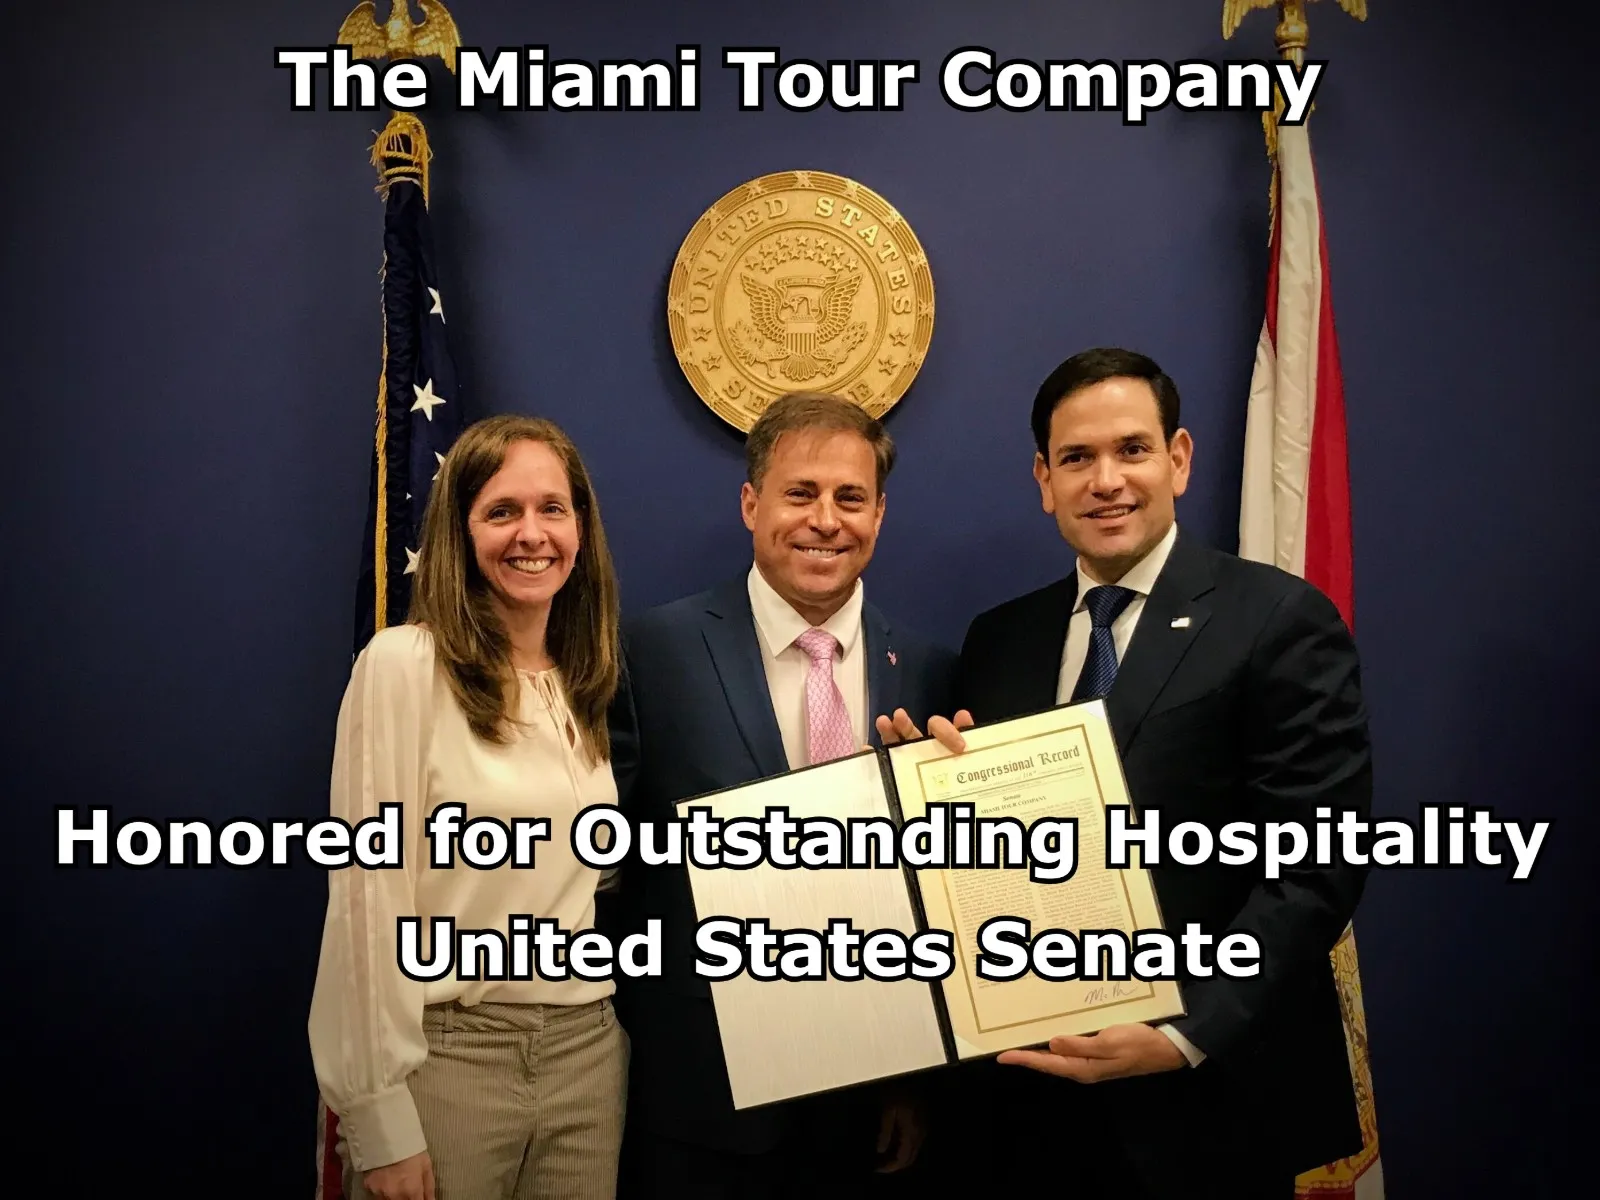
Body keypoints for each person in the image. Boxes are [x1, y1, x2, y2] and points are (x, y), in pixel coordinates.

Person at [883, 348, 1370, 1199]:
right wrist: (920, 789)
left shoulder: (1281, 621)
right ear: (1044, 478)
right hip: (1022, 1107)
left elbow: (1319, 867)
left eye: (1131, 450)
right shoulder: (999, 639)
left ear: (1178, 458)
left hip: (1206, 1103)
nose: (1106, 480)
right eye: (1077, 458)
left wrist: (1187, 1031)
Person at [608, 392, 957, 1199]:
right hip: (701, 1111)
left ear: (879, 513)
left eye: (850, 497)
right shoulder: (649, 651)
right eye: (800, 493)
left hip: (871, 1109)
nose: (825, 520)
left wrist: (912, 1081)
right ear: (750, 503)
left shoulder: (935, 671)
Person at [309, 414, 629, 1200]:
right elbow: (364, 897)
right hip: (449, 1053)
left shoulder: (586, 681)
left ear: (581, 529)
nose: (532, 534)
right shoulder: (402, 668)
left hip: (586, 1055)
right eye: (502, 511)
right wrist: (377, 1111)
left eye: (553, 509)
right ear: (461, 531)